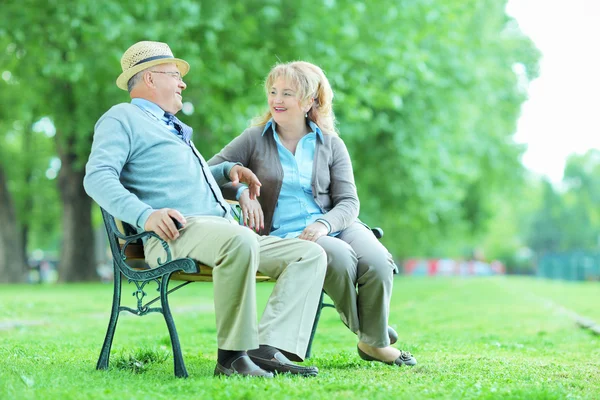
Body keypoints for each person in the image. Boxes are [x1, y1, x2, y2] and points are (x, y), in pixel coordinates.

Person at [83, 42, 328, 378]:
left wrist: (227, 172)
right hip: (172, 234)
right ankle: (231, 358)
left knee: (309, 255)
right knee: (238, 239)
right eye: (175, 75)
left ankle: (266, 348)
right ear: (151, 79)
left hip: (218, 232)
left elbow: (183, 180)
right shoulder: (122, 118)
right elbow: (97, 177)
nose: (183, 83)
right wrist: (145, 215)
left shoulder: (170, 126)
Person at [208, 61, 417, 367]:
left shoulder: (331, 144)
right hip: (288, 234)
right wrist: (240, 192)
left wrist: (323, 224)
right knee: (341, 256)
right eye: (273, 92)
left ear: (308, 102)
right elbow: (208, 174)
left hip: (336, 223)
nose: (277, 100)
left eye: (287, 93)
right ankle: (372, 338)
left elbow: (348, 202)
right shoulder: (253, 139)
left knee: (377, 260)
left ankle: (371, 338)